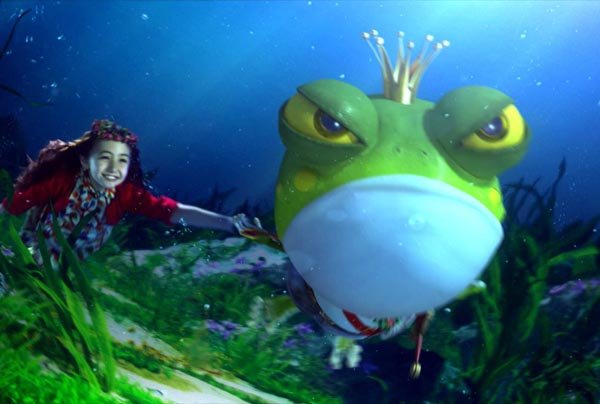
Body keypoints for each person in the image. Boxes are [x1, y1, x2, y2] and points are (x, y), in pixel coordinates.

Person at [0, 119, 260, 268]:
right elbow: (19, 201)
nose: (114, 168)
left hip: (73, 254)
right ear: (84, 160)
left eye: (122, 160)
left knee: (46, 271)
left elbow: (172, 211)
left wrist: (229, 223)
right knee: (25, 261)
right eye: (105, 157)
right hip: (40, 239)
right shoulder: (64, 181)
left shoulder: (125, 195)